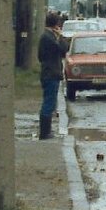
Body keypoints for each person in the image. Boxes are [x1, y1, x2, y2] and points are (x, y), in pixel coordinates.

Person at [37, 11, 69, 139]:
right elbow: (64, 49)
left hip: (49, 73)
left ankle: (46, 130)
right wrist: (60, 36)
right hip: (51, 74)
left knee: (50, 102)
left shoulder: (47, 36)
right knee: (49, 103)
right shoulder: (49, 38)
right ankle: (45, 132)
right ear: (56, 24)